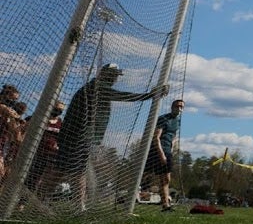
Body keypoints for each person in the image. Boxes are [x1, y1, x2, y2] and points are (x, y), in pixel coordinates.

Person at [57, 64, 168, 211]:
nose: (115, 78)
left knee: (64, 170)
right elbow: (124, 96)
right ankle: (77, 206)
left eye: (116, 75)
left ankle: (39, 199)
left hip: (76, 136)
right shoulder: (97, 87)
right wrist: (150, 95)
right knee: (75, 171)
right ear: (105, 74)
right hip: (77, 136)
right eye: (113, 75)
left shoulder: (96, 87)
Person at [143, 98, 183, 212]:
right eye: (177, 106)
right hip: (157, 150)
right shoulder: (163, 119)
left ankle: (166, 204)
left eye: (181, 107)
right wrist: (161, 154)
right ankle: (132, 194)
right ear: (172, 107)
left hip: (168, 151)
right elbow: (156, 137)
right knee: (146, 175)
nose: (179, 109)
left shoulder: (178, 121)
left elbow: (174, 135)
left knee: (166, 178)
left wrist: (172, 146)